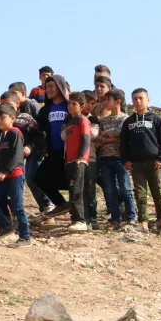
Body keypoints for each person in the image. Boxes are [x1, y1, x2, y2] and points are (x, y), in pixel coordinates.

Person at [122, 88, 161, 236]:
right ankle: (144, 224)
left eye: (141, 98)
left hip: (154, 163)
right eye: (135, 98)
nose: (138, 101)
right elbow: (123, 144)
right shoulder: (129, 121)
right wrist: (126, 160)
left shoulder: (156, 119)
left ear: (148, 100)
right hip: (136, 164)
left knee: (158, 193)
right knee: (140, 194)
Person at [0, 104, 30, 246]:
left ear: (12, 118)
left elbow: (17, 156)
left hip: (14, 175)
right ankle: (5, 226)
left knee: (17, 206)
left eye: (2, 118)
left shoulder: (14, 133)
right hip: (1, 177)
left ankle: (25, 236)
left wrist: (4, 171)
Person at [7, 82, 52, 213]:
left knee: (33, 178)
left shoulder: (32, 105)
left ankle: (48, 206)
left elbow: (40, 129)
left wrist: (34, 146)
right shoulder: (14, 111)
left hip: (36, 148)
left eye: (14, 93)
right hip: (23, 151)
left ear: (23, 93)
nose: (12, 96)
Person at [97, 89, 135, 228]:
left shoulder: (125, 119)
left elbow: (121, 133)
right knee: (109, 190)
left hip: (120, 159)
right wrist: (111, 137)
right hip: (104, 158)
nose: (106, 102)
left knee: (125, 189)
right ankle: (115, 219)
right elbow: (98, 139)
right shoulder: (104, 120)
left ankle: (131, 217)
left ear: (118, 101)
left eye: (109, 100)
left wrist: (107, 134)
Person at [35, 75, 71, 217]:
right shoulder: (45, 110)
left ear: (60, 87)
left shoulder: (70, 106)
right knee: (39, 178)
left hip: (70, 152)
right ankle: (61, 204)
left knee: (74, 182)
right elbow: (40, 129)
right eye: (46, 87)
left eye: (51, 86)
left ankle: (82, 214)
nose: (48, 89)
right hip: (53, 152)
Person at [61, 92, 92, 232]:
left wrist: (80, 157)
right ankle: (74, 219)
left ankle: (80, 220)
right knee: (72, 190)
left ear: (82, 106)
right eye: (69, 103)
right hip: (69, 161)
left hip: (78, 161)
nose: (71, 106)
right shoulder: (69, 122)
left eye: (74, 104)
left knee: (76, 190)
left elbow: (86, 139)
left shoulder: (82, 120)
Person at [81, 91, 100, 229]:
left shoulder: (93, 119)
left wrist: (81, 126)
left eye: (93, 103)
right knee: (78, 190)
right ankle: (81, 217)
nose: (90, 106)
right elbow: (65, 135)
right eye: (88, 102)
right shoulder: (70, 118)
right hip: (73, 159)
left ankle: (92, 218)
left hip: (90, 158)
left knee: (90, 189)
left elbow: (93, 134)